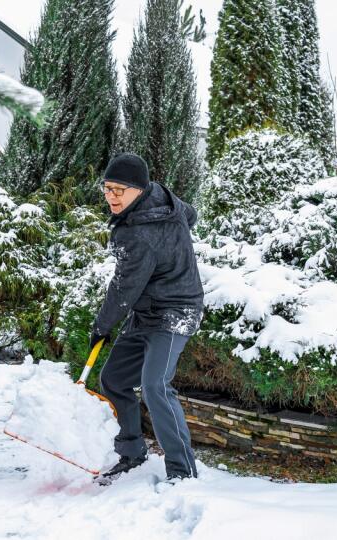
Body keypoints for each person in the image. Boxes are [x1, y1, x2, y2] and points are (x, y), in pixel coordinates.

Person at [90, 153, 204, 483]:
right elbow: (191, 215)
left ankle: (183, 472)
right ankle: (132, 452)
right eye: (107, 189)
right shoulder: (163, 198)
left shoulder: (137, 235)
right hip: (148, 309)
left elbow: (125, 287)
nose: (111, 196)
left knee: (155, 386)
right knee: (114, 379)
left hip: (176, 309)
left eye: (119, 190)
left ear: (139, 190)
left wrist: (102, 326)